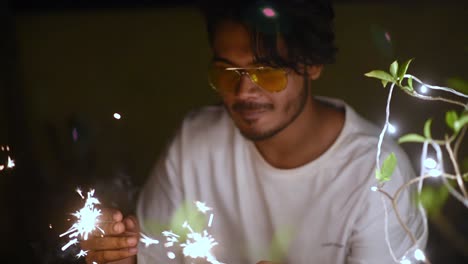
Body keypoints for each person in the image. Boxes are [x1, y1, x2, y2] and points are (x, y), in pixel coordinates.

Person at [80, 0, 426, 263]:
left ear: (312, 65)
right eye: (227, 73)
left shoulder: (378, 173)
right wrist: (123, 255)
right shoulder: (195, 143)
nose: (244, 92)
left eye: (267, 72)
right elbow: (152, 254)